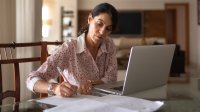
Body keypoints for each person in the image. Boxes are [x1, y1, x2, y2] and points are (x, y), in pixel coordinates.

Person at [26, 2, 118, 97]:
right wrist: (54, 88)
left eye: (108, 29)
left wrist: (91, 83)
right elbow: (31, 80)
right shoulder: (70, 48)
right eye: (99, 24)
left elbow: (111, 79)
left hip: (104, 102)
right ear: (90, 19)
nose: (102, 31)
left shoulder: (109, 44)